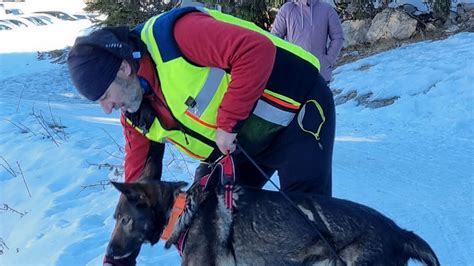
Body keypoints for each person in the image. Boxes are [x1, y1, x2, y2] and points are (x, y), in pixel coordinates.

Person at [67, 6, 335, 265]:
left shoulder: (175, 37)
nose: (107, 108)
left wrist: (228, 123)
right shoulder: (136, 115)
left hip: (298, 111)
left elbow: (256, 50)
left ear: (124, 68)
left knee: (307, 227)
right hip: (243, 143)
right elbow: (137, 191)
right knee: (205, 215)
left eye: (105, 95)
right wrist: (118, 258)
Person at [271, 0, 344, 83]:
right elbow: (275, 39)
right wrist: (285, 62)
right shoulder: (286, 10)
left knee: (319, 96)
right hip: (293, 73)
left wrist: (328, 60)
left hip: (320, 74)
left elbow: (338, 37)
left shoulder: (326, 9)